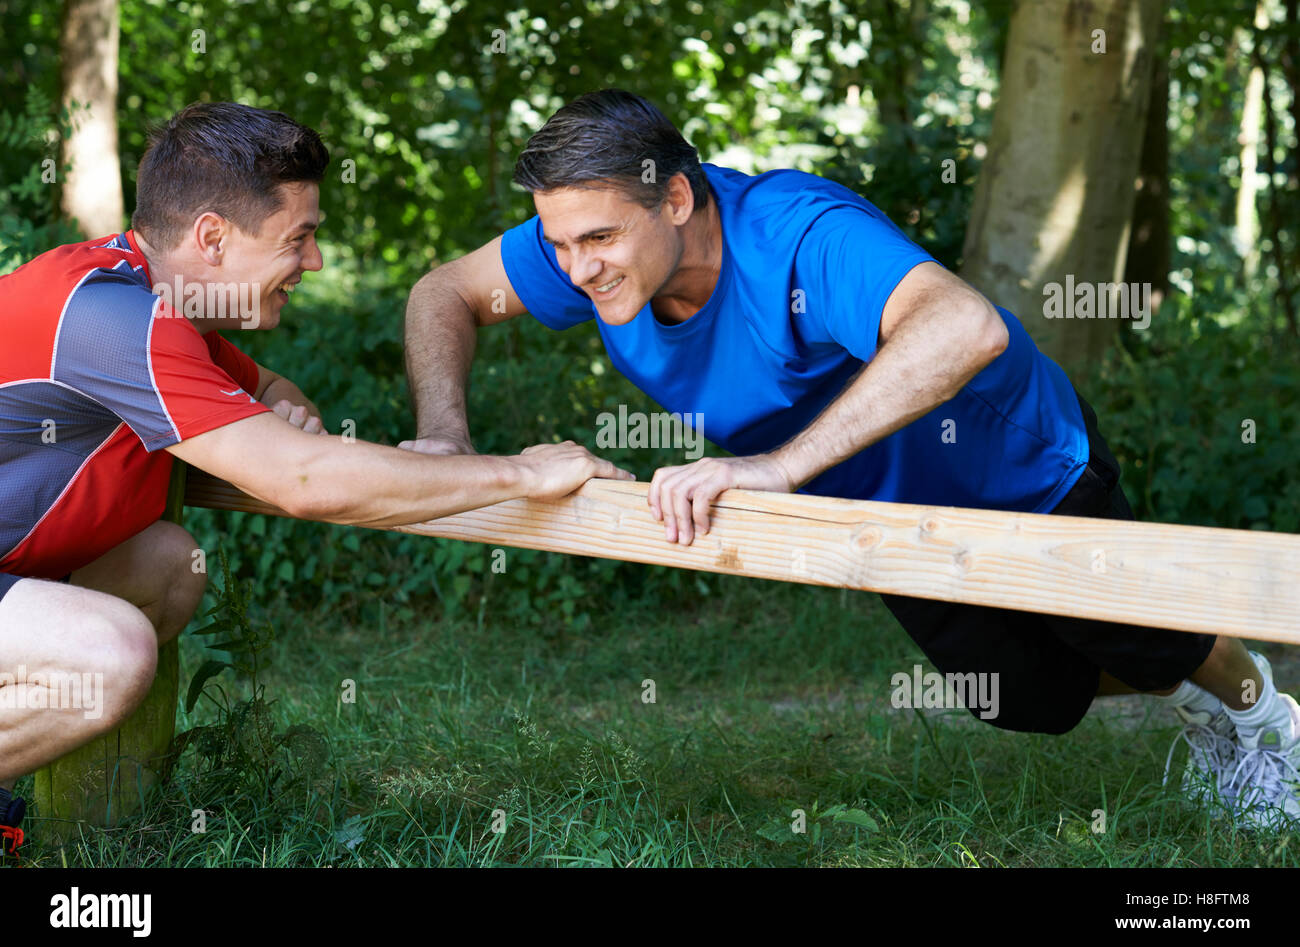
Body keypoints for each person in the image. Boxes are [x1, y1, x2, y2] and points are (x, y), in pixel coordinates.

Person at [403, 88, 1299, 829]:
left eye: (597, 240)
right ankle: (1191, 693)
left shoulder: (799, 236)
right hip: (878, 511)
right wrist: (444, 436)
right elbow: (445, 290)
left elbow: (967, 325)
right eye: (557, 244)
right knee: (1021, 696)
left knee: (1142, 637)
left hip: (1018, 466)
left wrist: (773, 469)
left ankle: (1262, 717)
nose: (576, 268)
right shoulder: (583, 237)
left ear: (676, 198)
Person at [0, 101, 630, 857]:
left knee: (169, 565)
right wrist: (524, 473)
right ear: (212, 236)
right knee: (110, 653)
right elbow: (305, 479)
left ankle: (89, 828)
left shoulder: (155, 298)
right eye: (299, 237)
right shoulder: (114, 321)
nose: (317, 261)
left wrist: (280, 424)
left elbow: (281, 395)